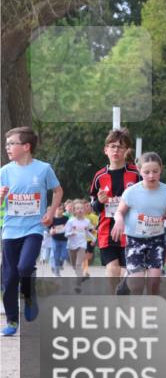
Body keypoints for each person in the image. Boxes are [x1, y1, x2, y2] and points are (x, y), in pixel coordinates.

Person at [1, 127, 63, 336]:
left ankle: (29, 295)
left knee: (25, 266)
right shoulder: (5, 171)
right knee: (9, 278)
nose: (8, 147)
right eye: (7, 144)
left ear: (26, 146)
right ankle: (11, 320)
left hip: (34, 228)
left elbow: (58, 190)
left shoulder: (44, 169)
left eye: (12, 143)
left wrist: (51, 212)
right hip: (10, 230)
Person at [89, 128, 140, 294]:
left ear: (126, 150)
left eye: (120, 147)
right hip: (107, 229)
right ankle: (114, 301)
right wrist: (99, 201)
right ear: (106, 150)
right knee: (112, 268)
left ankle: (124, 294)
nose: (116, 150)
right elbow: (93, 207)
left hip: (131, 229)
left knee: (129, 271)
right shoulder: (99, 176)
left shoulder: (136, 174)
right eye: (112, 146)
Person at [112, 152, 166, 296]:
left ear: (161, 169)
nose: (151, 176)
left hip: (157, 240)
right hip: (135, 240)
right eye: (147, 172)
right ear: (139, 170)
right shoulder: (131, 192)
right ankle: (129, 283)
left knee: (154, 282)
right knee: (137, 285)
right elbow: (119, 212)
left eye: (155, 171)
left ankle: (150, 306)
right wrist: (119, 220)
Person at [65, 200, 95, 291]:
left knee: (78, 264)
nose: (80, 210)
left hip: (82, 245)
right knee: (74, 265)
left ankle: (78, 285)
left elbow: (87, 232)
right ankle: (80, 276)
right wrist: (71, 233)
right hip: (71, 246)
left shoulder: (87, 221)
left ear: (84, 210)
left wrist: (94, 239)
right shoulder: (70, 221)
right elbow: (66, 234)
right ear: (74, 211)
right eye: (77, 208)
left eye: (81, 208)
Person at [48, 203, 70, 277]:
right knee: (56, 256)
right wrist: (51, 231)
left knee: (64, 255)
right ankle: (56, 272)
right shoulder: (52, 219)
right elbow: (49, 229)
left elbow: (69, 227)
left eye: (61, 209)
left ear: (63, 210)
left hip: (64, 240)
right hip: (55, 239)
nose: (59, 210)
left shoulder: (66, 218)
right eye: (57, 209)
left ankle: (60, 262)